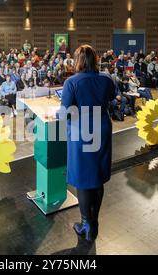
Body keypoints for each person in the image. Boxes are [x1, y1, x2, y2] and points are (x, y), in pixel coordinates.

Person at [57, 45, 116, 242]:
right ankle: (95, 221)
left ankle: (86, 225)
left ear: (78, 61)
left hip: (81, 132)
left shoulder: (71, 82)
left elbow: (64, 112)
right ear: (95, 60)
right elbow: (111, 99)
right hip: (102, 128)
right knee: (97, 176)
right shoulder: (106, 79)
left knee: (83, 179)